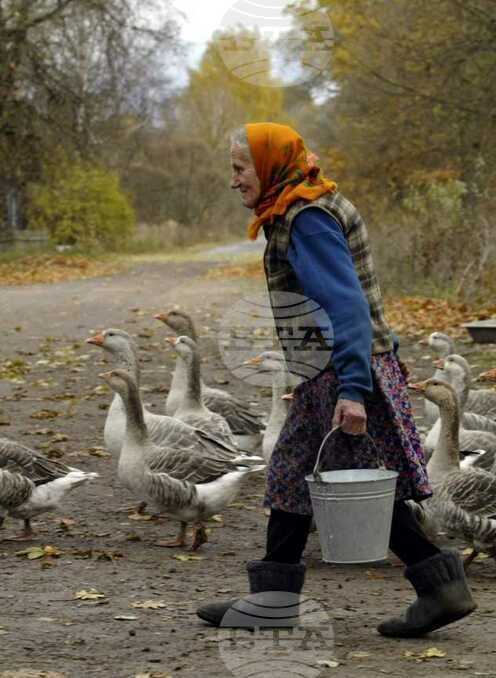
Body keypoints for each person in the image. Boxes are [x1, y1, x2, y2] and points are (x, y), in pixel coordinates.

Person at [196, 123, 476, 638]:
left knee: (304, 477)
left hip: (341, 370)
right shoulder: (297, 206)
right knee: (337, 480)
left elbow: (346, 307)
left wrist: (349, 389)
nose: (234, 181)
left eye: (240, 169)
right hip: (338, 368)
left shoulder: (307, 218)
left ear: (269, 165)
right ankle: (438, 585)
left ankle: (276, 602)